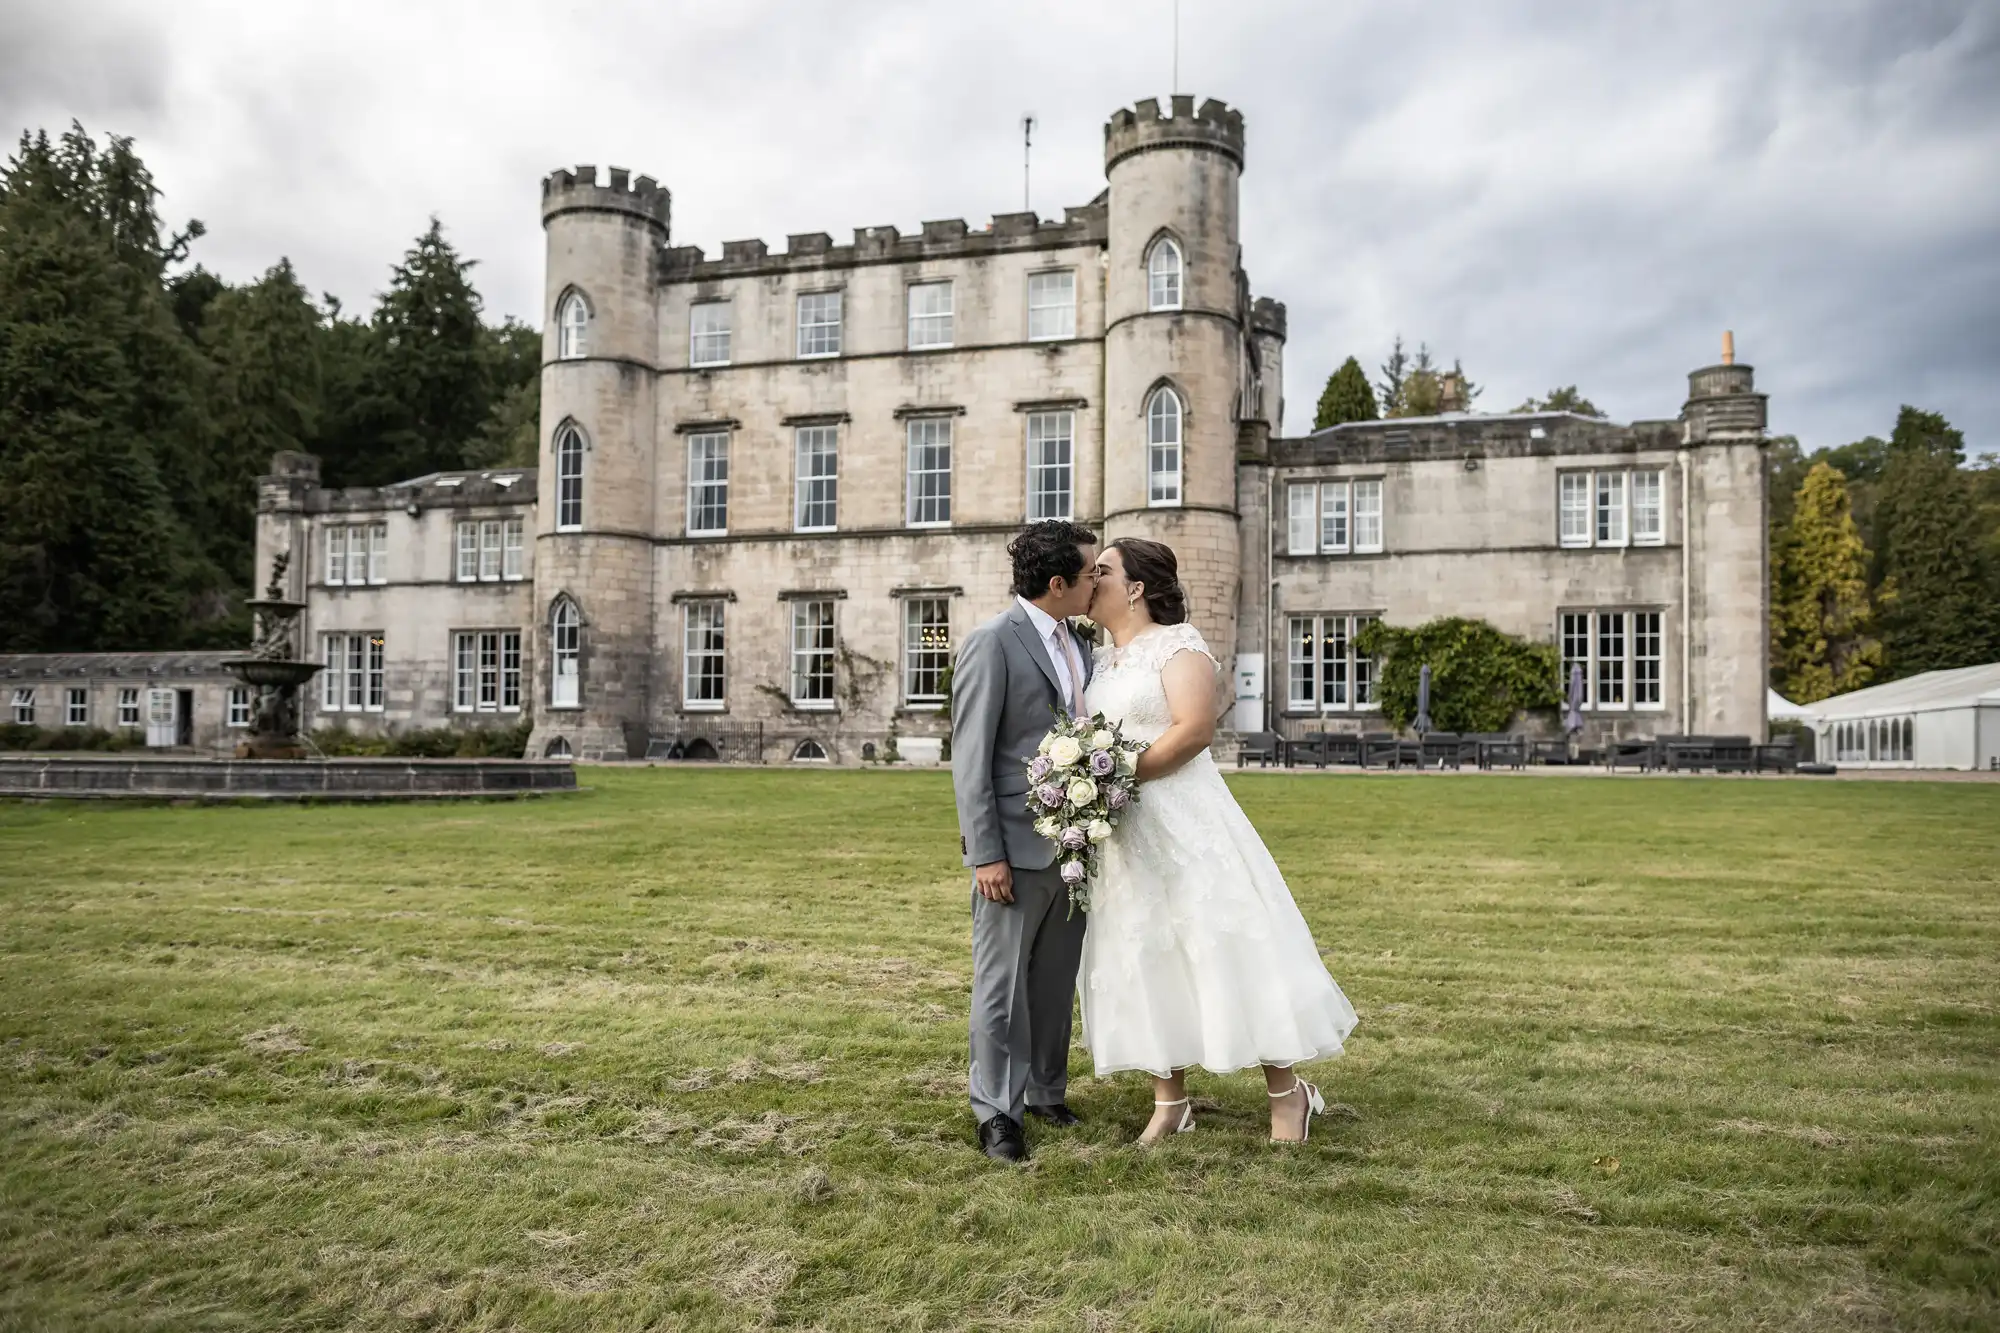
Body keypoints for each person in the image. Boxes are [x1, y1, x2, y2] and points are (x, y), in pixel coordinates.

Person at [1079, 537, 1359, 1145]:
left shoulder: (1179, 647)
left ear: (1134, 588)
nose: (1089, 577)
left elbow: (1194, 730)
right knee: (1143, 949)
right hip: (1126, 833)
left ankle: (1288, 1095)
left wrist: (1114, 777)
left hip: (1187, 823)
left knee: (1227, 943)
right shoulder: (1096, 661)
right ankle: (1170, 1101)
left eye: (1101, 570)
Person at [949, 520, 1101, 1163]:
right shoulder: (992, 643)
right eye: (1092, 573)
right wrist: (985, 853)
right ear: (1058, 582)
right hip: (1011, 847)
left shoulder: (1080, 642)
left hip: (1074, 839)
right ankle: (996, 1113)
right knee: (1001, 986)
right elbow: (971, 756)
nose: (1100, 581)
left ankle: (1045, 1090)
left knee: (1052, 981)